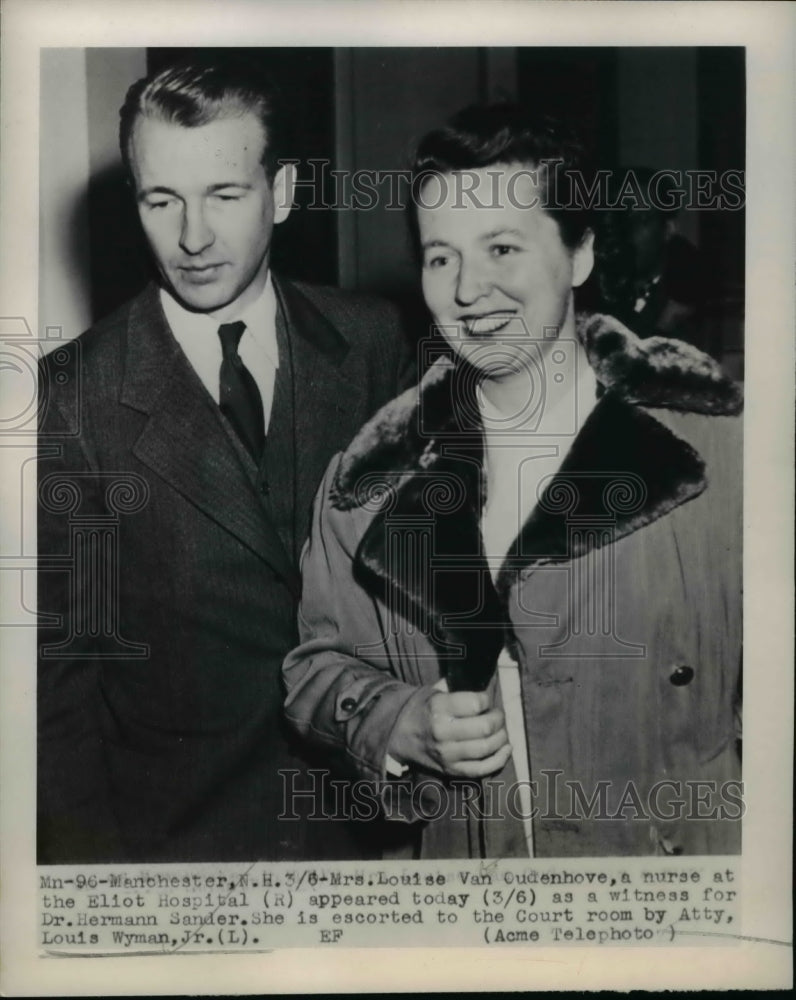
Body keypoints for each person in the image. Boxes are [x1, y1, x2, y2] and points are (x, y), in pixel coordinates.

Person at [283, 105, 743, 859]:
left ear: (581, 254)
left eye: (502, 247)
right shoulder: (368, 483)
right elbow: (316, 667)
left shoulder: (717, 458)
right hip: (469, 904)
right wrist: (394, 719)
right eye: (441, 257)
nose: (469, 291)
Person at [37, 58, 412, 863]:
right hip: (177, 859)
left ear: (283, 194)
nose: (193, 237)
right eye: (161, 200)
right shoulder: (74, 393)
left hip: (369, 841)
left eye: (225, 195)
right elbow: (57, 687)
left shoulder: (375, 341)